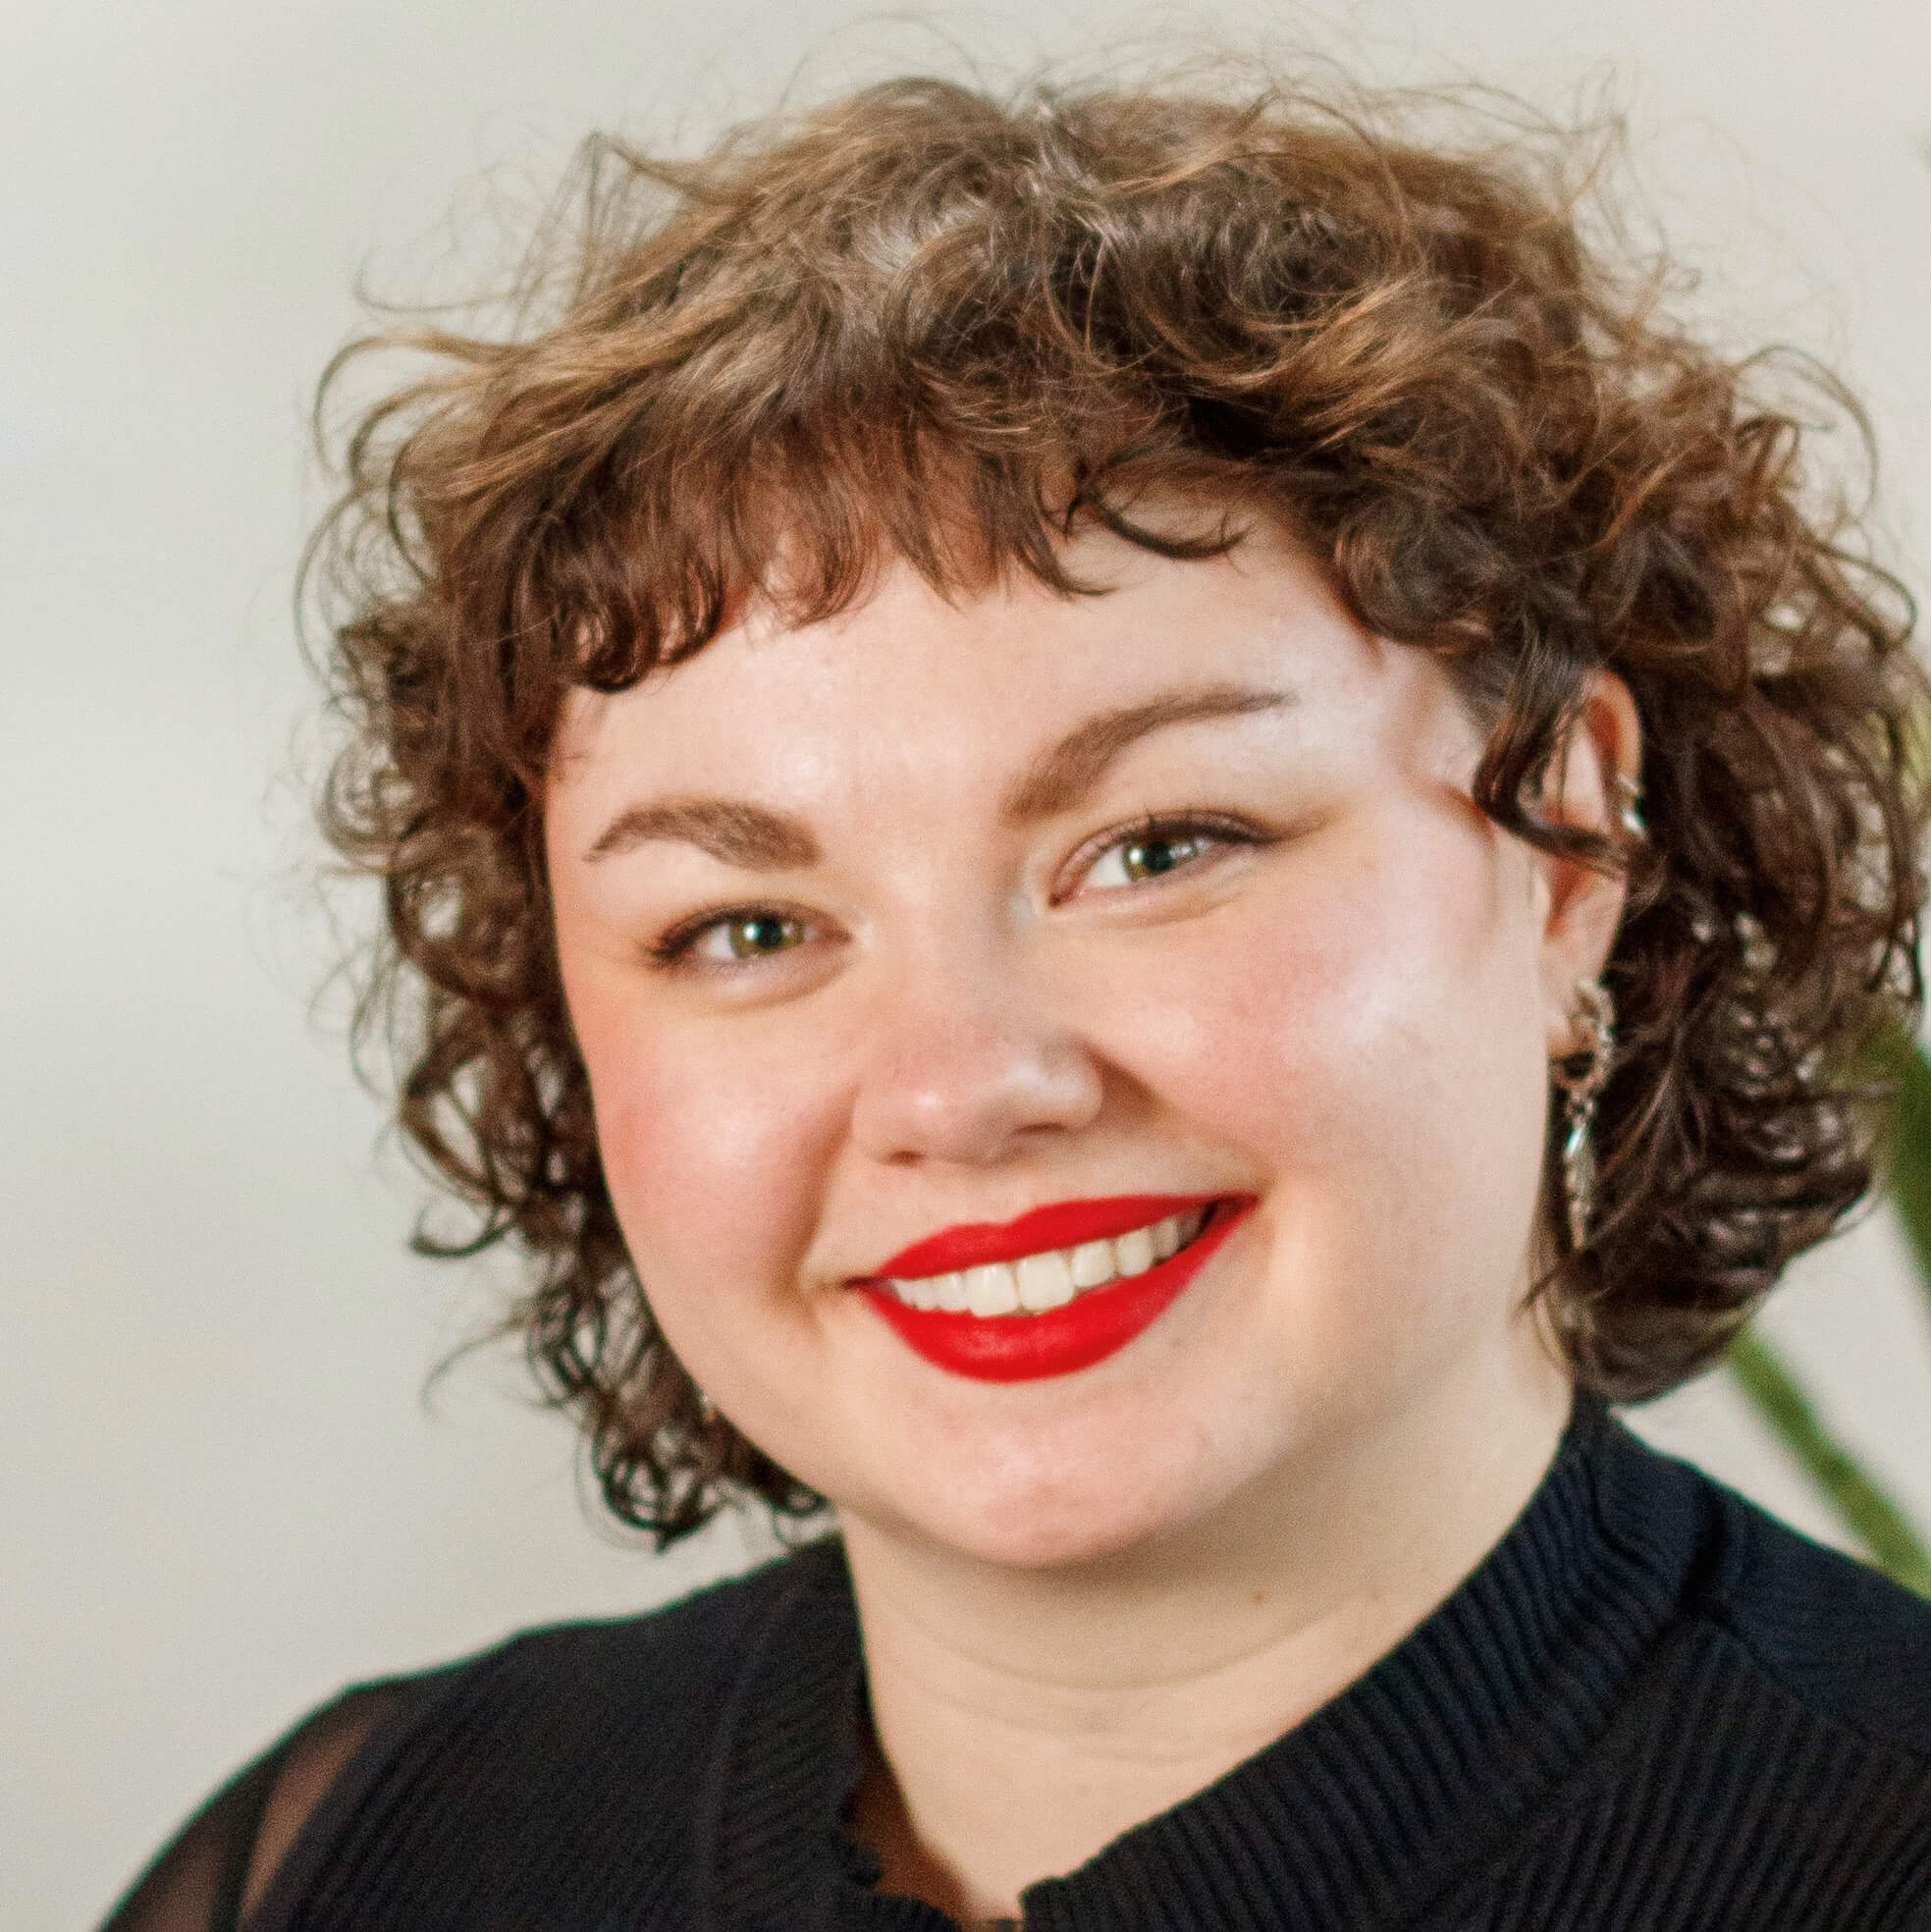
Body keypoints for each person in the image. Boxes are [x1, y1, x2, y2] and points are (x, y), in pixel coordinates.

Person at [102, 66, 1931, 1932]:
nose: (962, 1084)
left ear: (1561, 839)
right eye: (745, 927)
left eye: (1157, 847)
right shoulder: (362, 1860)